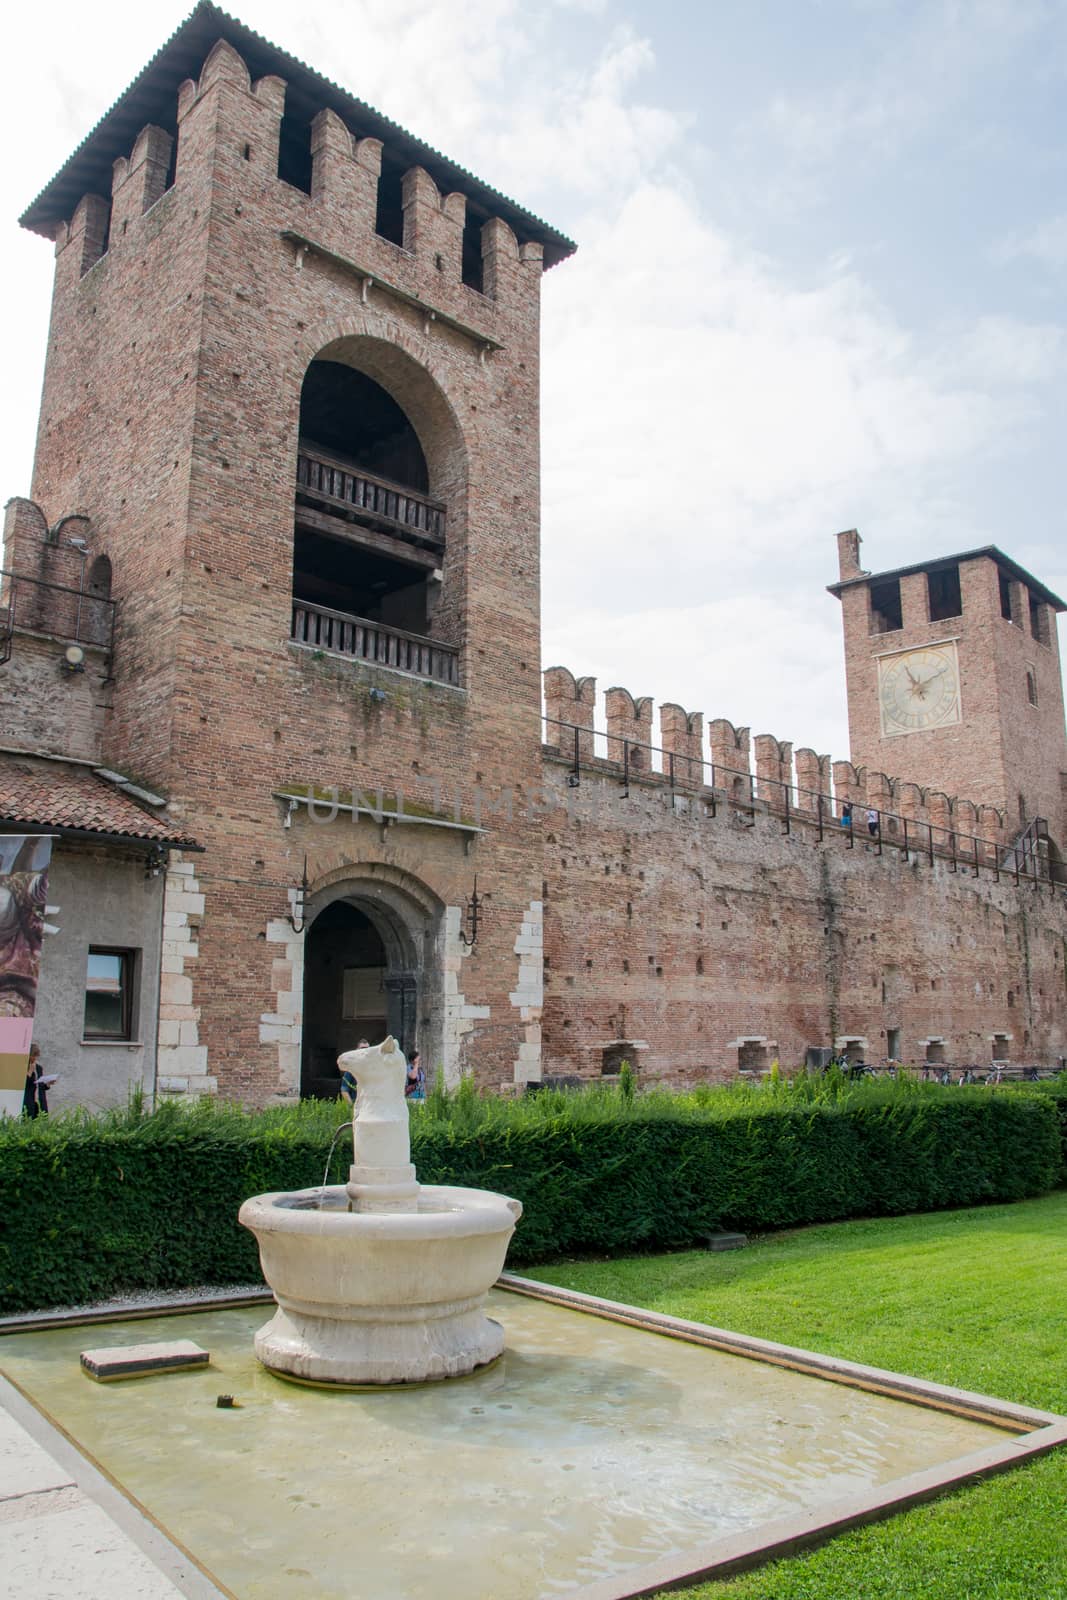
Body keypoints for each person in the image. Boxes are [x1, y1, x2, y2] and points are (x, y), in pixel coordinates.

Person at [22, 1043, 49, 1119]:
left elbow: (40, 1085)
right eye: (33, 1056)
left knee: (40, 1123)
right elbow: (23, 1085)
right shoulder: (23, 1067)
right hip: (28, 1102)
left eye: (36, 1056)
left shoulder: (39, 1068)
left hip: (40, 1102)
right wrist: (30, 1072)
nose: (34, 1058)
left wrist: (48, 1084)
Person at [340, 1038, 370, 1104]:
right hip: (356, 1105)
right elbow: (344, 1090)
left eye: (367, 1049)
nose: (364, 1051)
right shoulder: (351, 1068)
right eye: (362, 1048)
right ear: (357, 1050)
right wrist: (352, 1107)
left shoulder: (372, 1068)